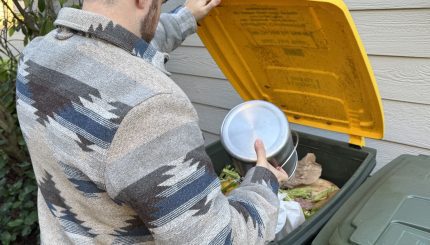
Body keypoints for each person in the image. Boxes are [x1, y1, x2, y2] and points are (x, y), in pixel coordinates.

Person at [15, 0, 289, 243]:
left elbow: (112, 50)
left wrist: (185, 17)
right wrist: (263, 182)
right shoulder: (150, 108)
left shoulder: (37, 57)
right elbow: (220, 238)